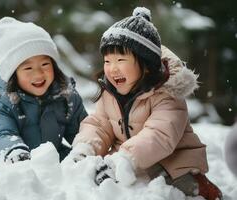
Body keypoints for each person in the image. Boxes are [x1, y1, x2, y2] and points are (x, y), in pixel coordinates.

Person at [68, 7, 222, 200]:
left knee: (187, 190)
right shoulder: (110, 92)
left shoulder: (167, 94)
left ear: (147, 67)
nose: (112, 68)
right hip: (128, 162)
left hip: (173, 162)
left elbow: (159, 134)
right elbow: (99, 124)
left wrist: (125, 159)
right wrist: (85, 148)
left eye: (121, 59)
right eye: (107, 61)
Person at [0, 17, 87, 175]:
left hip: (48, 156)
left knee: (73, 162)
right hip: (8, 155)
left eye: (45, 64)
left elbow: (83, 132)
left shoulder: (66, 97)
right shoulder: (2, 103)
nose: (39, 74)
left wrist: (85, 151)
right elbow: (1, 132)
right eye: (28, 68)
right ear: (12, 74)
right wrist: (12, 151)